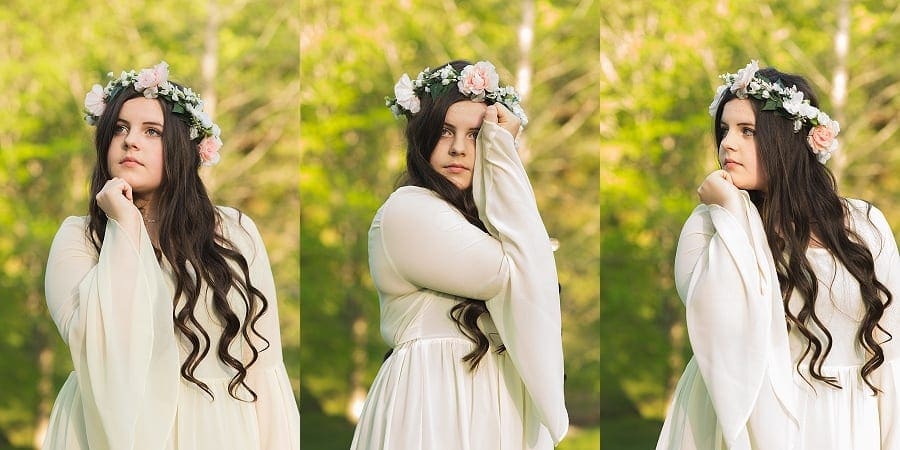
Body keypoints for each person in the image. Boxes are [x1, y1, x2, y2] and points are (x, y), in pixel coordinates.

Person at [42, 61, 300, 450]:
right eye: (120, 129)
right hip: (109, 433)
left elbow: (263, 364)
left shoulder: (233, 232)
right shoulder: (78, 238)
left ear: (182, 148)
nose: (131, 141)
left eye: (152, 131)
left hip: (219, 429)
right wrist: (124, 224)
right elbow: (100, 344)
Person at [657, 60, 900, 450]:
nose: (727, 144)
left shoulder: (865, 224)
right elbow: (722, 331)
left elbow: (893, 346)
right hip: (754, 426)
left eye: (747, 131)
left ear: (787, 141)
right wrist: (732, 213)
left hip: (852, 423)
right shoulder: (707, 226)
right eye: (724, 130)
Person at [350, 60, 568, 449]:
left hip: (497, 400)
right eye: (445, 132)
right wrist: (505, 154)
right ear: (423, 137)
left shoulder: (489, 223)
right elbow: (508, 272)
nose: (457, 148)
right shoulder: (407, 210)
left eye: (476, 135)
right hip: (433, 400)